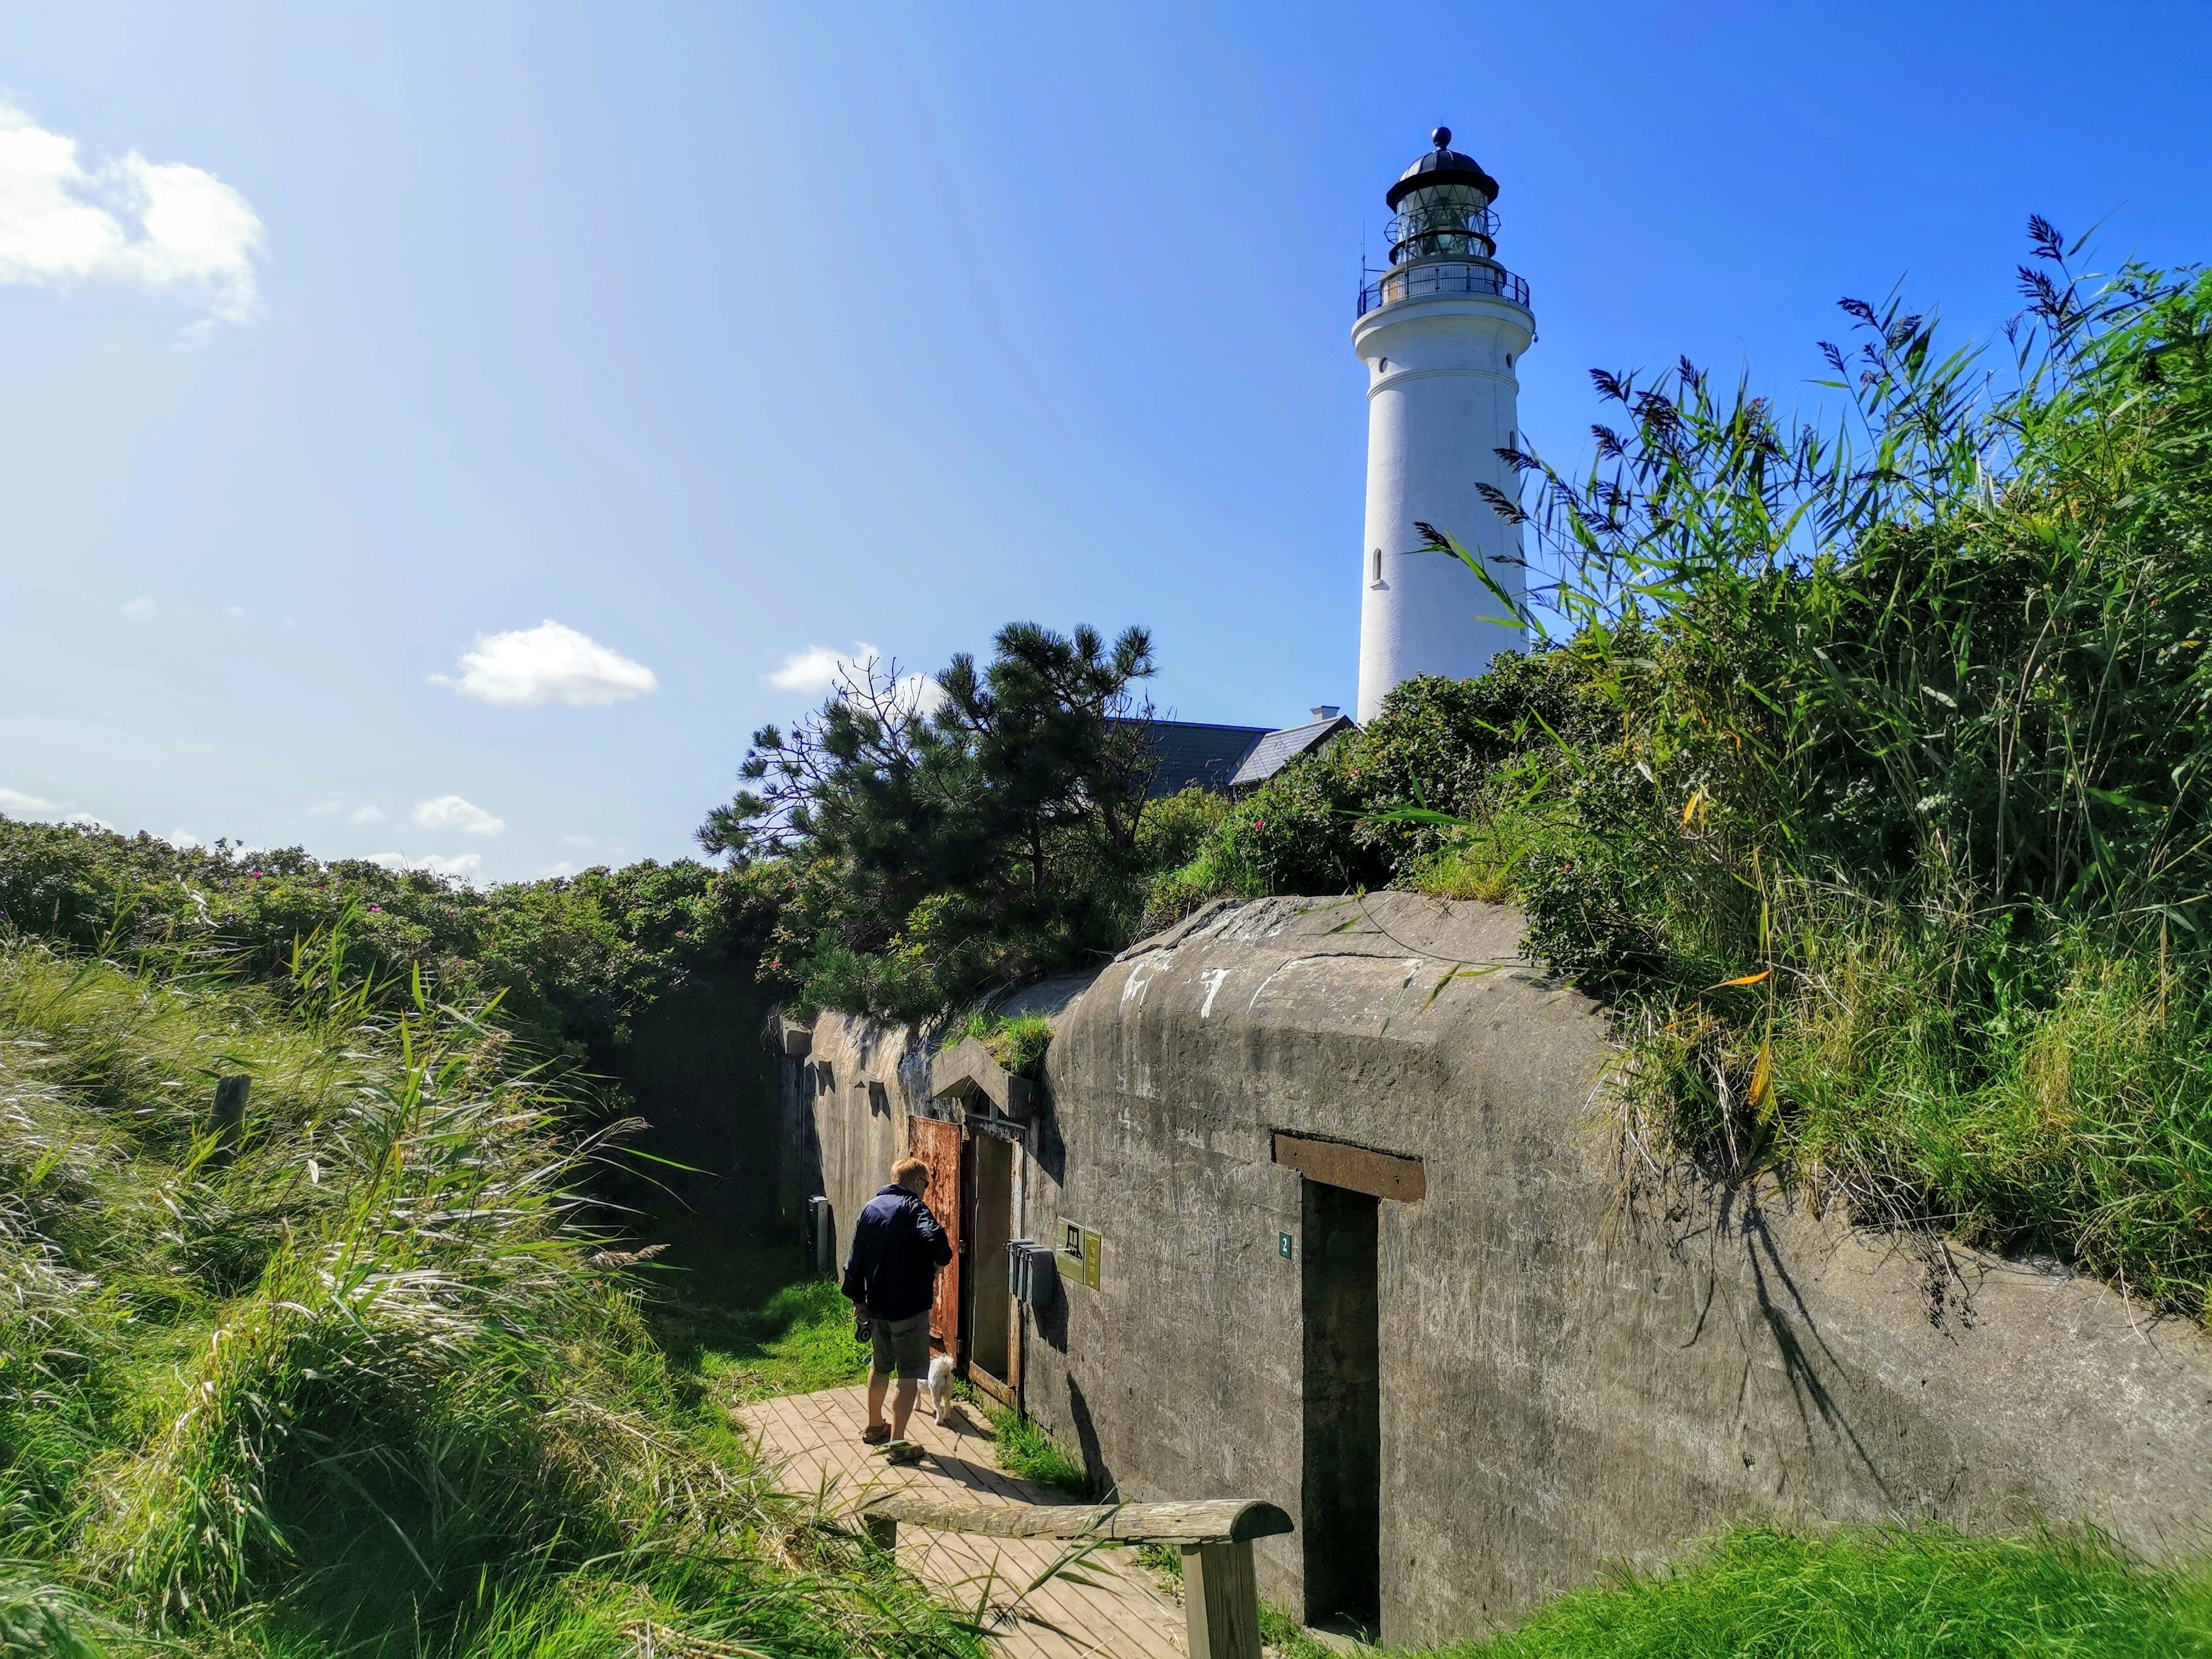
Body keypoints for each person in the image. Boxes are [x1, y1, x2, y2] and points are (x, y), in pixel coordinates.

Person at [841, 1155, 953, 1446]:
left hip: (877, 1308)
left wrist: (858, 1299)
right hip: (910, 1310)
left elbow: (854, 1261)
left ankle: (875, 1426)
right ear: (917, 1182)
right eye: (926, 1184)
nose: (926, 1189)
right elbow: (939, 1243)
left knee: (879, 1368)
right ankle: (899, 1442)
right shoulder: (914, 1208)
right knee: (907, 1375)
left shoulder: (870, 1209)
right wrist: (939, 1263)